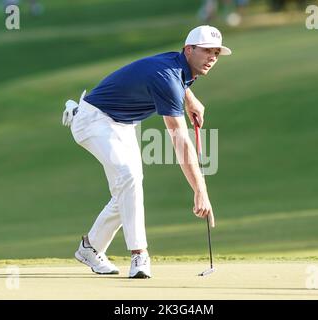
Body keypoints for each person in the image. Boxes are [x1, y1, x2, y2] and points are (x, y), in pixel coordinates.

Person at [62, 26, 232, 279]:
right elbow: (180, 141)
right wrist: (200, 190)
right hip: (93, 120)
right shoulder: (169, 76)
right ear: (189, 50)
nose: (212, 58)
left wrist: (190, 99)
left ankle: (91, 247)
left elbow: (176, 80)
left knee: (128, 186)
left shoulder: (180, 66)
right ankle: (139, 254)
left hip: (122, 123)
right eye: (207, 51)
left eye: (216, 53)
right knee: (129, 177)